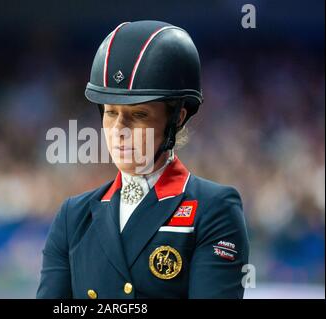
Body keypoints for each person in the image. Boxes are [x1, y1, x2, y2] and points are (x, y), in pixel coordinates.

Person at [37, 20, 249, 299]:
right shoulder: (73, 217)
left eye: (138, 115)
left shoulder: (213, 210)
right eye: (111, 113)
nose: (118, 131)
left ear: (177, 118)